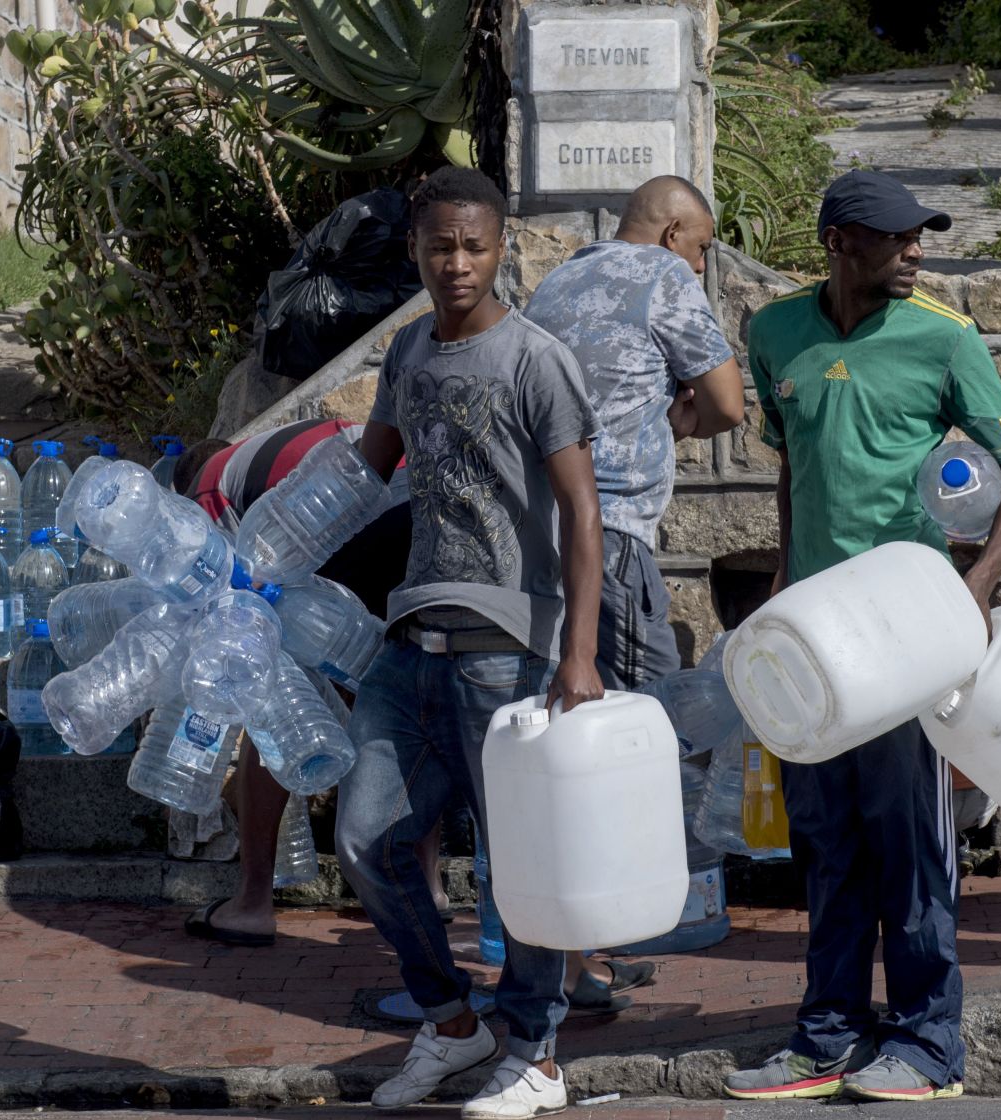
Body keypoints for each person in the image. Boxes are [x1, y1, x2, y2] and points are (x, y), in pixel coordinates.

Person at [723, 170, 1001, 1104]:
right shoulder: (775, 331)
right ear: (839, 242)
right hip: (817, 644)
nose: (917, 252)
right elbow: (792, 467)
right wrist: (784, 579)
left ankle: (928, 1044)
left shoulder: (946, 340)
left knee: (911, 849)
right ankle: (825, 1038)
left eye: (921, 237)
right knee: (826, 848)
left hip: (906, 639)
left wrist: (977, 585)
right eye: (898, 237)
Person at [333, 166, 605, 1120]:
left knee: (519, 860)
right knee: (367, 833)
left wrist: (579, 649)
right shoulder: (407, 350)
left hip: (510, 645)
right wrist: (268, 530)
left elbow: (581, 511)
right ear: (416, 248)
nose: (457, 263)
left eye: (474, 246)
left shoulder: (536, 360)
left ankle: (535, 1052)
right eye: (440, 245)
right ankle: (456, 1024)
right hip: (411, 638)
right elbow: (363, 475)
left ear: (502, 250)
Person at [524, 173, 745, 1000]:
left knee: (570, 734)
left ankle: (580, 953)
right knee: (638, 732)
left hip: (538, 539)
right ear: (672, 231)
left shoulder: (560, 276)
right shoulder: (658, 277)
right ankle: (606, 944)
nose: (701, 269)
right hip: (610, 540)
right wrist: (682, 418)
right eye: (701, 250)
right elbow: (727, 402)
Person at [173, 419, 426, 947]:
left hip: (366, 508)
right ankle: (425, 887)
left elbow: (233, 601)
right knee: (399, 690)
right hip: (427, 497)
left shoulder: (208, 482)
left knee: (275, 697)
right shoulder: (281, 448)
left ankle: (251, 904)